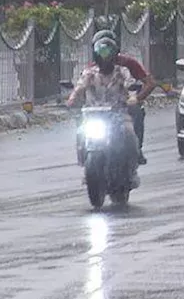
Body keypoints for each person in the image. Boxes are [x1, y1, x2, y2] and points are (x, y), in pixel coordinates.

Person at [66, 37, 142, 187]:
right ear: (96, 54)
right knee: (81, 133)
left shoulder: (122, 72)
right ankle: (85, 164)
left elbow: (131, 85)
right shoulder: (90, 73)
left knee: (130, 136)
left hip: (118, 115)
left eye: (108, 53)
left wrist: (132, 98)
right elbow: (79, 87)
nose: (105, 57)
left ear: (114, 55)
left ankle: (132, 170)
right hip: (93, 116)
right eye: (102, 53)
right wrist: (72, 99)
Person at [89, 29, 156, 164]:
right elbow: (81, 87)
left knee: (137, 112)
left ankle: (136, 148)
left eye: (108, 49)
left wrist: (136, 98)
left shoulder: (128, 63)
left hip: (122, 106)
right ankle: (86, 149)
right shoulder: (91, 68)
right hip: (99, 107)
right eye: (101, 50)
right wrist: (74, 101)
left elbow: (150, 83)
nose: (105, 55)